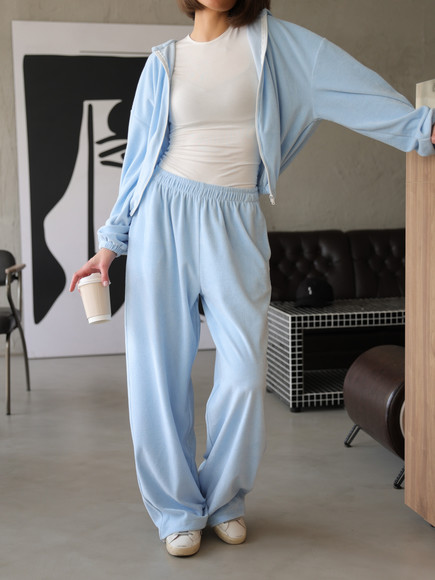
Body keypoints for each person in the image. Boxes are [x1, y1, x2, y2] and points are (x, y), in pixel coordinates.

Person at [70, 0, 435, 557]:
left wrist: (419, 128)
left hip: (235, 219)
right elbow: (139, 160)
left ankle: (224, 499)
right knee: (156, 373)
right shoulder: (164, 61)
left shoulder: (278, 44)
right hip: (161, 217)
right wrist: (109, 245)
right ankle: (176, 510)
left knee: (243, 371)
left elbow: (351, 87)